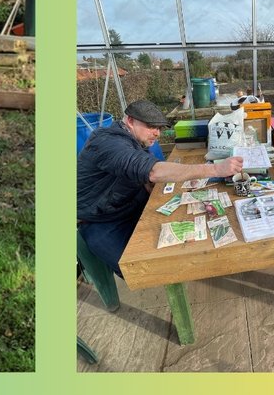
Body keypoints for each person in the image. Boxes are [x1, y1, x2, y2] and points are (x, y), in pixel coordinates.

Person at [77, 100, 244, 275]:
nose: (156, 133)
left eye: (159, 128)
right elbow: (153, 171)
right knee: (142, 271)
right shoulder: (108, 142)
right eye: (150, 126)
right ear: (131, 121)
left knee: (188, 225)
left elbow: (143, 176)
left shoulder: (134, 139)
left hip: (129, 203)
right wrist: (215, 169)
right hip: (101, 220)